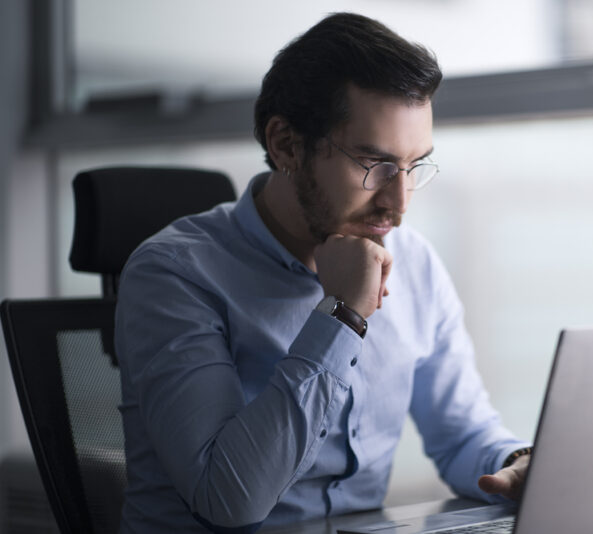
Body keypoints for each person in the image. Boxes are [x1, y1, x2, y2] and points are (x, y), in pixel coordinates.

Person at [115, 12, 530, 534]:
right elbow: (227, 498)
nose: (398, 204)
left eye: (413, 166)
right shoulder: (174, 273)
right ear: (287, 145)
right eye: (373, 164)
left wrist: (516, 461)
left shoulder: (417, 263)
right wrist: (341, 313)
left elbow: (462, 433)